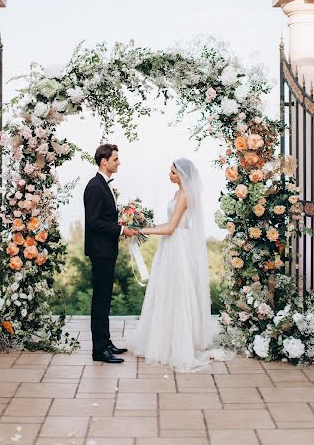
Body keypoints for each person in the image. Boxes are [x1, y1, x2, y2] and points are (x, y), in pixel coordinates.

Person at [127, 158, 219, 372]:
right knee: (166, 291)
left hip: (177, 247)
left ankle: (178, 344)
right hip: (171, 246)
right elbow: (169, 225)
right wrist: (144, 225)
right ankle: (165, 338)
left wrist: (142, 231)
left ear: (183, 176)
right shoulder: (178, 193)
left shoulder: (185, 196)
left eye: (173, 172)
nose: (169, 175)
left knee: (178, 291)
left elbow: (170, 229)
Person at [84, 143, 138, 363]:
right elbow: (94, 222)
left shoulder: (103, 185)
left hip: (107, 250)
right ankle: (99, 351)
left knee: (105, 299)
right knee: (100, 301)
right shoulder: (95, 186)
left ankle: (105, 342)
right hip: (100, 251)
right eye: (115, 159)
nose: (119, 162)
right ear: (103, 161)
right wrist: (122, 229)